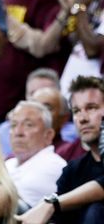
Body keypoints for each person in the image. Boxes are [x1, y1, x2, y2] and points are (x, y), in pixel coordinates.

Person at [15, 76, 104, 224]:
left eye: (91, 108)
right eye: (76, 111)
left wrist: (52, 203)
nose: (82, 118)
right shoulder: (72, 170)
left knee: (95, 210)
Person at [5, 101, 67, 210]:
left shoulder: (53, 165)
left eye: (28, 125)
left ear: (48, 135)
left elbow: (10, 206)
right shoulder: (7, 164)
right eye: (13, 125)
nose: (18, 132)